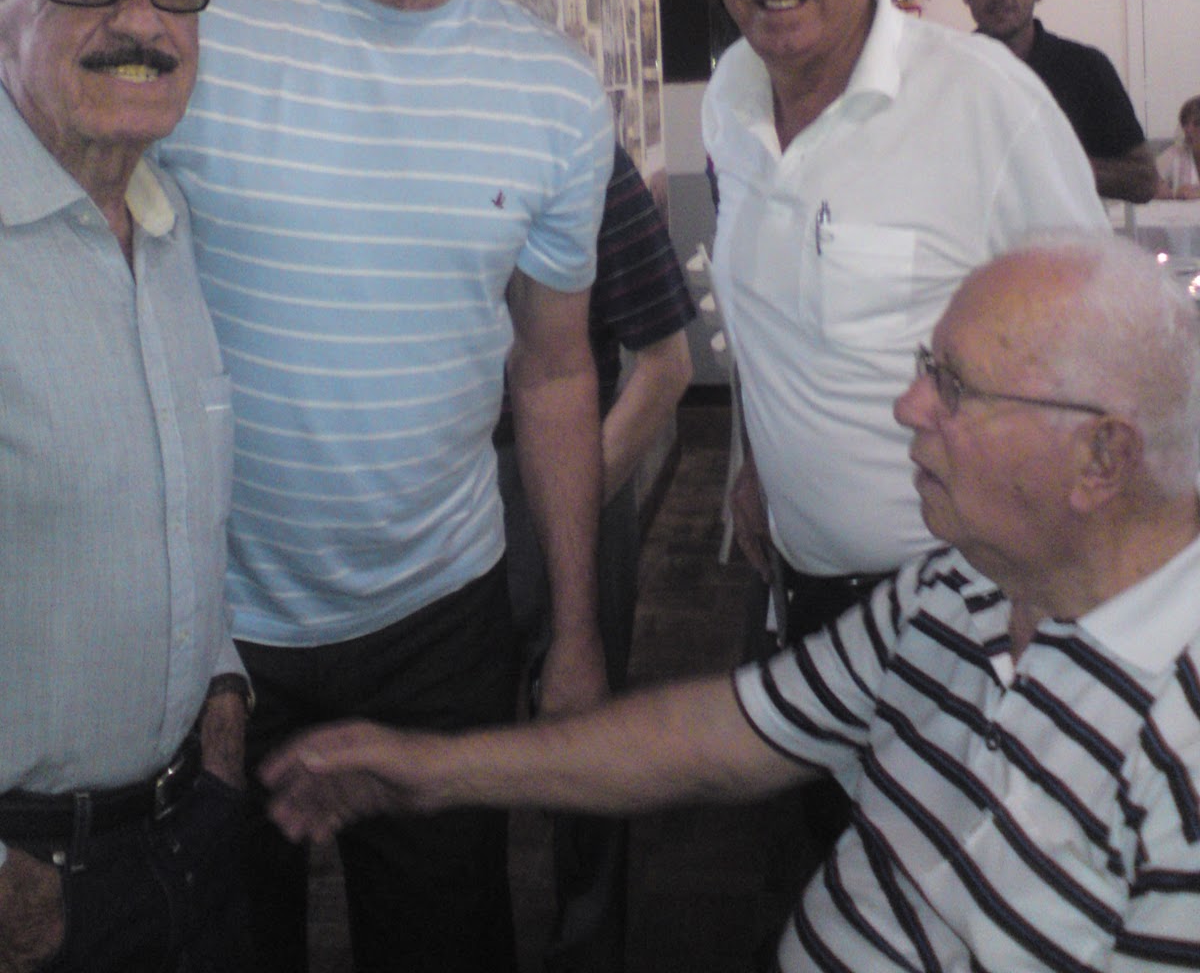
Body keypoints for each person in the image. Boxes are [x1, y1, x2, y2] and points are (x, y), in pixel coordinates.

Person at [262, 231, 1200, 972]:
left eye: (953, 386)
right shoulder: (963, 587)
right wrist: (432, 771)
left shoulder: (1178, 748)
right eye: (926, 365)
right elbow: (726, 735)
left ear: (1102, 458)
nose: (908, 405)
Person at [160, 0, 614, 973]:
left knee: (449, 944)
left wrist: (576, 628)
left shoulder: (552, 94)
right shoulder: (200, 28)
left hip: (441, 621)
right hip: (208, 627)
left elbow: (555, 373)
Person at [696, 0, 1108, 891]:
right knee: (839, 861)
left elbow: (1099, 350)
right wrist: (754, 461)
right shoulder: (730, 100)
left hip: (966, 607)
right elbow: (767, 313)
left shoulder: (985, 103)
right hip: (800, 589)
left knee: (964, 889)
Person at [0, 0, 252, 973]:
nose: (142, 19)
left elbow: (173, 496)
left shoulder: (165, 222)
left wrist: (220, 681)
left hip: (186, 826)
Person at [473, 0, 695, 973]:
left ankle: (589, 940)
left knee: (583, 728)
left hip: (562, 475)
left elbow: (664, 366)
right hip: (446, 503)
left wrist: (570, 495)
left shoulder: (585, 160)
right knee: (460, 745)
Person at [959, 0, 1157, 203]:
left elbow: (1144, 181)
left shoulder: (1086, 68)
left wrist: (1047, 162)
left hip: (1062, 232)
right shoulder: (944, 73)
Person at [1155, 93, 1200, 198]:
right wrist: (1171, 193)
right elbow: (1143, 183)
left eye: (1197, 123)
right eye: (1185, 123)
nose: (1188, 130)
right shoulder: (1174, 154)